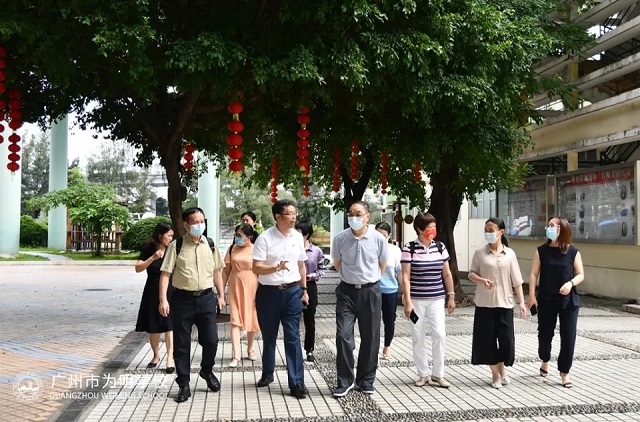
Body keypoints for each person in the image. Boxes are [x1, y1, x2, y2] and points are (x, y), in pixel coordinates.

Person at [158, 207, 226, 403]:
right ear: (186, 225)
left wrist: (221, 295)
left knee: (211, 340)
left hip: (206, 298)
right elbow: (165, 274)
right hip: (182, 300)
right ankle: (183, 384)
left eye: (202, 221)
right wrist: (163, 299)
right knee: (181, 344)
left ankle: (207, 370)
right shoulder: (177, 246)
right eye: (195, 222)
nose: (199, 225)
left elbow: (217, 272)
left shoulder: (210, 245)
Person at [252, 199, 310, 399]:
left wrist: (304, 289)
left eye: (295, 213)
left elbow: (301, 265)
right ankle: (268, 373)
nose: (293, 217)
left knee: (292, 336)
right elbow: (256, 267)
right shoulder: (265, 238)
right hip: (268, 292)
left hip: (292, 292)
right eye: (289, 214)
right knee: (269, 335)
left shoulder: (298, 236)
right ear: (278, 216)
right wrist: (275, 268)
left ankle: (297, 382)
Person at [331, 201, 388, 397]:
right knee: (343, 335)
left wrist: (368, 280)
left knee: (370, 337)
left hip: (370, 291)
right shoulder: (340, 238)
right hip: (346, 292)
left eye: (358, 214)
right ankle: (344, 381)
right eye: (350, 213)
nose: (353, 217)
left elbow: (382, 264)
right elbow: (337, 263)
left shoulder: (378, 239)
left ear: (367, 217)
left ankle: (365, 380)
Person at [468, 217, 526, 389]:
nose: (488, 233)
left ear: (501, 232)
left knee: (507, 341)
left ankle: (503, 369)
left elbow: (517, 281)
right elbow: (471, 274)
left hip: (505, 304)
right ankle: (495, 374)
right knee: (487, 341)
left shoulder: (510, 254)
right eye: (486, 230)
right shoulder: (479, 253)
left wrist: (522, 303)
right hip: (484, 304)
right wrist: (481, 280)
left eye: (491, 230)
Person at [527, 216, 584, 388]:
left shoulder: (573, 252)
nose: (549, 228)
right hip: (546, 299)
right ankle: (545, 359)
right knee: (545, 334)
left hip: (568, 300)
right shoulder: (541, 251)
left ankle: (565, 372)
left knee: (568, 336)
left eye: (552, 225)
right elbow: (533, 275)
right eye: (548, 225)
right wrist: (531, 296)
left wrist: (570, 283)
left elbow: (580, 274)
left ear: (562, 229)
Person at [401, 212, 455, 389]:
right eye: (429, 227)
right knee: (417, 335)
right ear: (419, 229)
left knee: (439, 334)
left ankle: (438, 374)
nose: (433, 229)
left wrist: (451, 295)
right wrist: (408, 301)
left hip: (437, 299)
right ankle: (423, 374)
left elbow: (447, 273)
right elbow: (405, 277)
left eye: (434, 226)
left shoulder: (440, 247)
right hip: (416, 301)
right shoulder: (409, 248)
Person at [134, 222, 175, 374]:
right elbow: (138, 268)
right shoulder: (149, 249)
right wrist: (152, 258)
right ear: (160, 235)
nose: (170, 238)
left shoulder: (173, 249)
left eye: (172, 236)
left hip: (170, 289)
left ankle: (170, 357)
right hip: (151, 289)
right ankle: (156, 355)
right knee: (153, 326)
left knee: (169, 325)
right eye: (168, 235)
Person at [222, 223, 260, 367]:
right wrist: (221, 291)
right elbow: (226, 271)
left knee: (252, 317)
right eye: (236, 235)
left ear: (249, 237)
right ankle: (236, 355)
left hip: (253, 286)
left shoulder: (256, 249)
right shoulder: (232, 249)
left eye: (240, 235)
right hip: (235, 286)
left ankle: (250, 349)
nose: (237, 238)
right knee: (235, 319)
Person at [295, 220, 326, 363]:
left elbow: (322, 270)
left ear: (306, 234)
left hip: (310, 286)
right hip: (294, 286)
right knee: (293, 320)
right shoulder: (292, 249)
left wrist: (311, 276)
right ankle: (294, 350)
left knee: (309, 320)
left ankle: (309, 349)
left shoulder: (316, 251)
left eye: (299, 233)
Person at [374, 222, 402, 360]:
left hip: (390, 290)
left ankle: (387, 346)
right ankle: (372, 347)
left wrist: (405, 292)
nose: (380, 238)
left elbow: (400, 272)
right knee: (372, 320)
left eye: (383, 235)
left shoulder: (395, 251)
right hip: (372, 290)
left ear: (389, 236)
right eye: (378, 234)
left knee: (389, 320)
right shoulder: (370, 248)